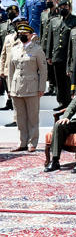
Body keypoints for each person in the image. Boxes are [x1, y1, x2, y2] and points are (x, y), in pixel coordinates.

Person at [7, 22, 47, 152]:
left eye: (25, 33)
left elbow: (43, 70)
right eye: (20, 33)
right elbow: (11, 71)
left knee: (32, 117)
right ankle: (22, 141)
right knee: (20, 117)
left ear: (30, 35)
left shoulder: (37, 49)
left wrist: (41, 88)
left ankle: (32, 142)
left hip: (32, 87)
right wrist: (10, 88)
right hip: (16, 87)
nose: (22, 35)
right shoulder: (14, 49)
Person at [43, 0, 76, 108]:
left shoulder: (75, 20)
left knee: (68, 80)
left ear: (69, 8)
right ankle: (61, 102)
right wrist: (48, 55)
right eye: (61, 7)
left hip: (68, 55)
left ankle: (69, 102)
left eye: (66, 7)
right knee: (58, 81)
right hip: (57, 55)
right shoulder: (54, 21)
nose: (63, 9)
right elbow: (50, 39)